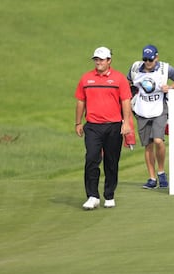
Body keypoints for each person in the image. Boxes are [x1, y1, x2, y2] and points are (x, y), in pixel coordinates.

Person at [75, 46, 132, 210]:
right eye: (96, 59)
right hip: (92, 126)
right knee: (91, 159)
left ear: (109, 61)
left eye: (101, 59)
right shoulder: (86, 79)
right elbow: (80, 101)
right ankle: (92, 196)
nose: (98, 62)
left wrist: (126, 122)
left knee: (111, 161)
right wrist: (78, 122)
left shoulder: (119, 79)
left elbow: (125, 101)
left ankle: (109, 194)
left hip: (113, 126)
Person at [127, 44, 174, 189]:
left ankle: (161, 172)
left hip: (159, 109)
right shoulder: (135, 68)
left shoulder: (165, 69)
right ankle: (152, 179)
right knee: (148, 145)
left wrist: (170, 88)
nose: (147, 62)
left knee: (158, 140)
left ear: (156, 58)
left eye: (150, 60)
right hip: (141, 110)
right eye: (145, 59)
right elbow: (127, 83)